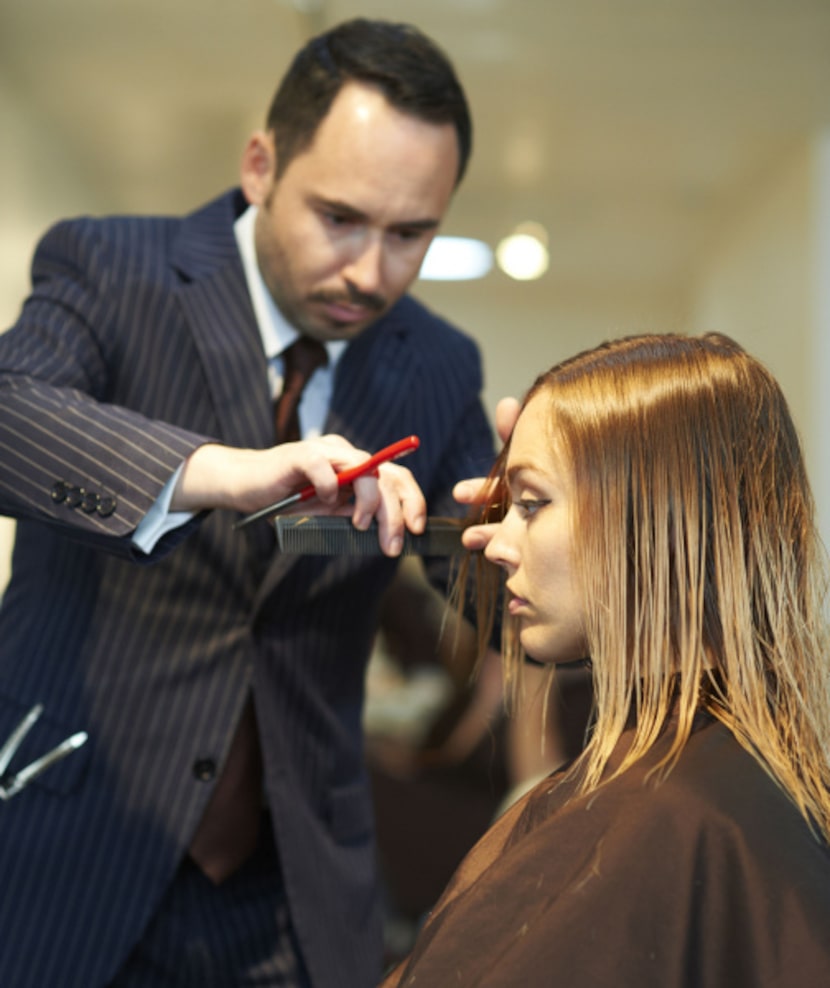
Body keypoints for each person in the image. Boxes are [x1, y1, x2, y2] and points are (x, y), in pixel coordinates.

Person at [0, 18, 496, 988]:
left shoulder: (437, 365)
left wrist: (535, 502)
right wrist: (226, 470)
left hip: (295, 897)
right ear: (261, 164)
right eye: (340, 218)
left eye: (410, 236)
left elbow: (482, 579)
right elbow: (12, 414)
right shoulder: (108, 268)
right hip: (72, 849)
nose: (369, 270)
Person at [383, 333, 830, 987]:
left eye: (531, 505)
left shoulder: (677, 817)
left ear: (649, 513)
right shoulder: (731, 785)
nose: (495, 542)